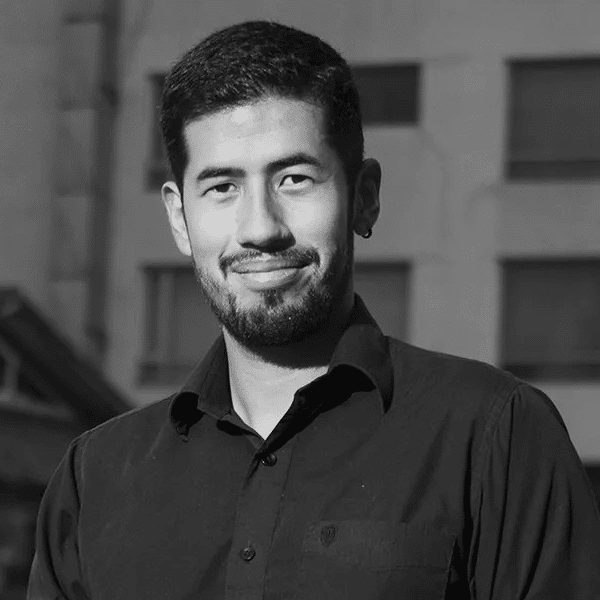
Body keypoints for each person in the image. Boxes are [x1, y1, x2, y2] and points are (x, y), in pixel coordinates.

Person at [28, 20, 600, 600]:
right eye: (222, 187)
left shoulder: (497, 436)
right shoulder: (93, 479)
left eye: (295, 179)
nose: (260, 228)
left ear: (364, 197)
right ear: (180, 218)